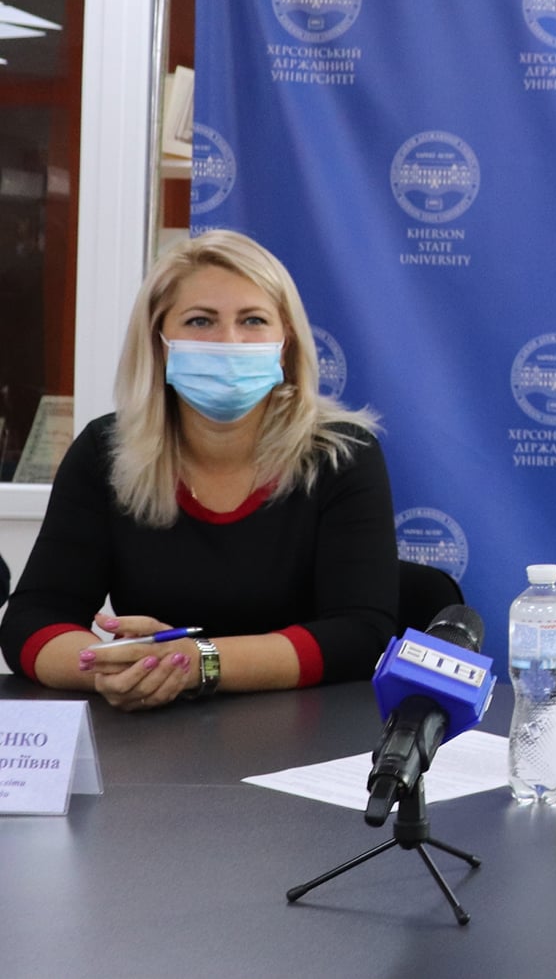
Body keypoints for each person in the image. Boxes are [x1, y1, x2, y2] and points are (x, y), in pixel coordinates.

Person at [0, 231, 398, 710]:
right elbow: (32, 620)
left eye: (253, 320)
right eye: (200, 321)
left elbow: (361, 634)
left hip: (309, 733)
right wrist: (114, 669)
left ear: (285, 342)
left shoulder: (341, 454)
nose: (229, 341)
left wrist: (197, 662)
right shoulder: (105, 452)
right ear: (160, 341)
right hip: (150, 735)